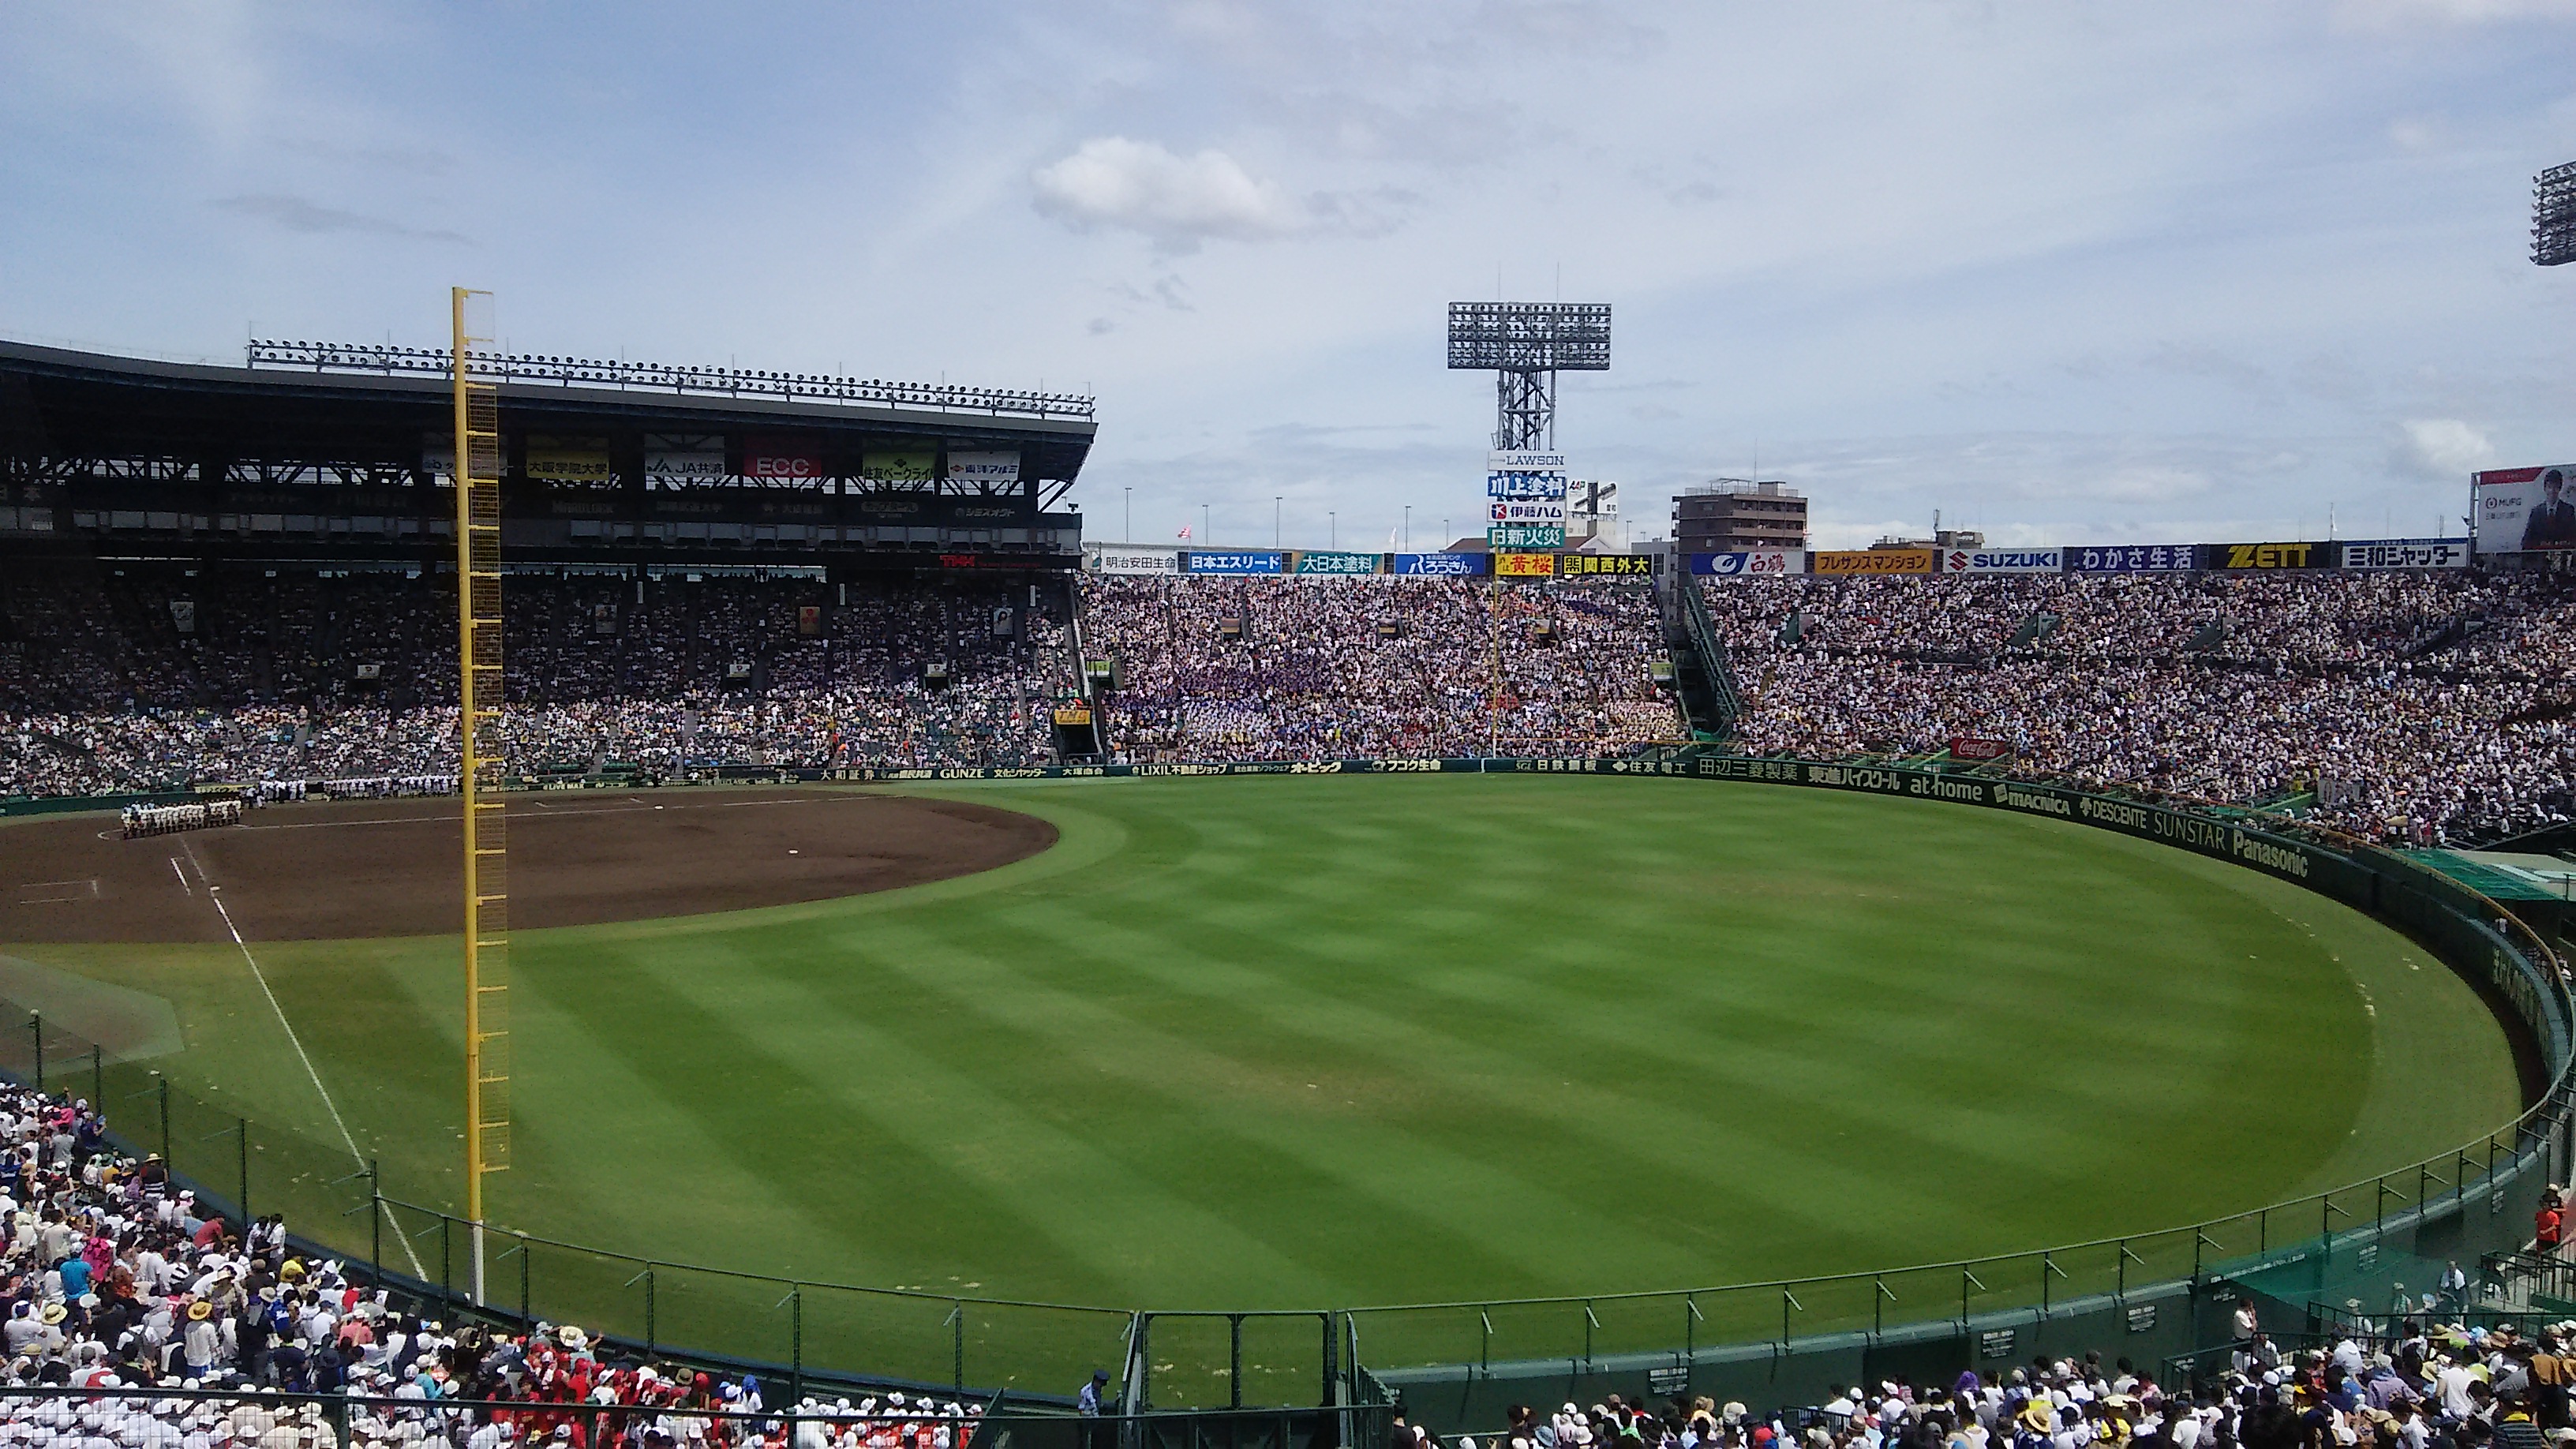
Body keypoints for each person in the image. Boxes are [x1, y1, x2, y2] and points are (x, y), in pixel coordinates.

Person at [2524, 470, 2576, 551]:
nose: (2552, 491)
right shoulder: (2536, 512)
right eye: (2549, 487)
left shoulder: (2568, 510)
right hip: (2539, 559)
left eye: (2556, 487)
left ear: (2560, 489)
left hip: (2563, 559)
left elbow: (2573, 539)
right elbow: (2526, 542)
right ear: (2545, 488)